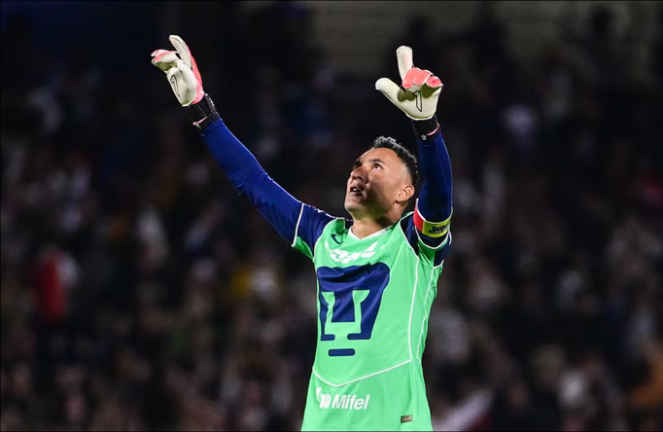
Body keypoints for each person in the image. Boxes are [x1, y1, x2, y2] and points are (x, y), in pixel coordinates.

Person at [151, 35, 453, 431]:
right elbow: (253, 183)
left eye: (377, 167)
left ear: (404, 193)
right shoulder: (324, 235)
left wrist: (427, 129)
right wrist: (202, 110)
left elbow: (439, 195)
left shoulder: (413, 245)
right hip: (324, 422)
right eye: (357, 165)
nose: (358, 171)